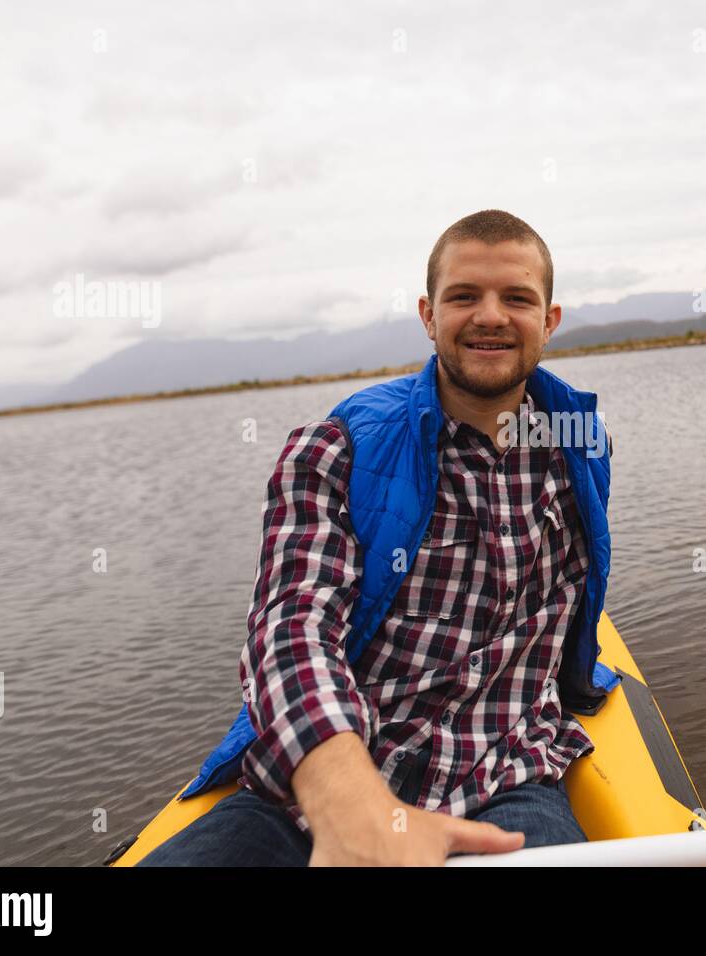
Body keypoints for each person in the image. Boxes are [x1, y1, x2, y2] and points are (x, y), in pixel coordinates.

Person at [139, 209, 614, 866]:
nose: (491, 316)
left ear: (549, 321)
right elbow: (291, 626)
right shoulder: (335, 451)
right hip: (324, 787)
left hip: (507, 772)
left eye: (517, 299)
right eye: (464, 297)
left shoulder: (577, 448)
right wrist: (348, 801)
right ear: (427, 314)